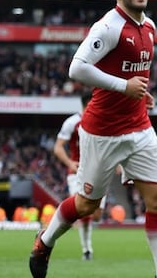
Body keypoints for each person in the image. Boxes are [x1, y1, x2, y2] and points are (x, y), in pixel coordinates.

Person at [29, 0, 157, 278]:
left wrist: (139, 93)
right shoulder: (108, 27)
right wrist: (124, 87)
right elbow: (76, 68)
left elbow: (134, 72)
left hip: (139, 128)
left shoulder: (149, 27)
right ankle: (45, 241)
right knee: (86, 206)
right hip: (102, 132)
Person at [53, 91, 104, 261]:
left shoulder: (102, 120)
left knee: (96, 214)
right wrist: (69, 163)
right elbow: (58, 147)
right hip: (77, 173)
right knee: (82, 210)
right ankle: (86, 249)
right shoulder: (73, 122)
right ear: (89, 103)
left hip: (99, 171)